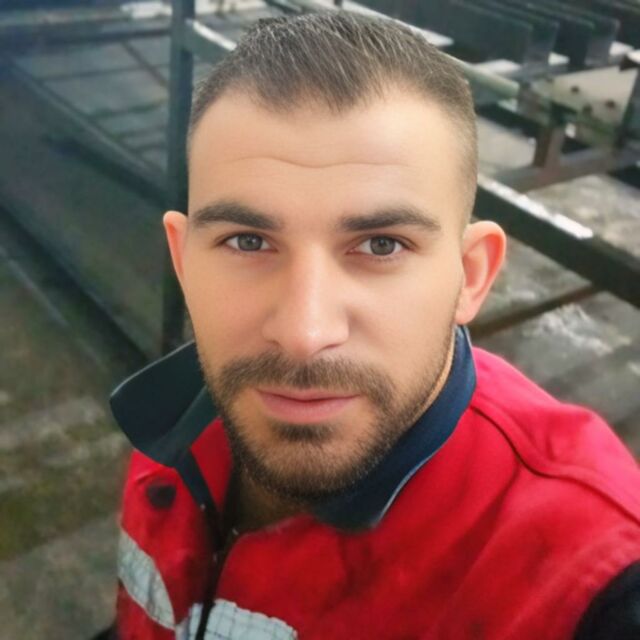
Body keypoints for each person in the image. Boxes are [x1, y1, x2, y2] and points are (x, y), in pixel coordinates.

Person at [108, 11, 640, 640]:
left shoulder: (587, 576)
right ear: (183, 260)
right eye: (248, 241)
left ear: (470, 276)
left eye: (381, 245)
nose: (304, 334)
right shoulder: (170, 418)